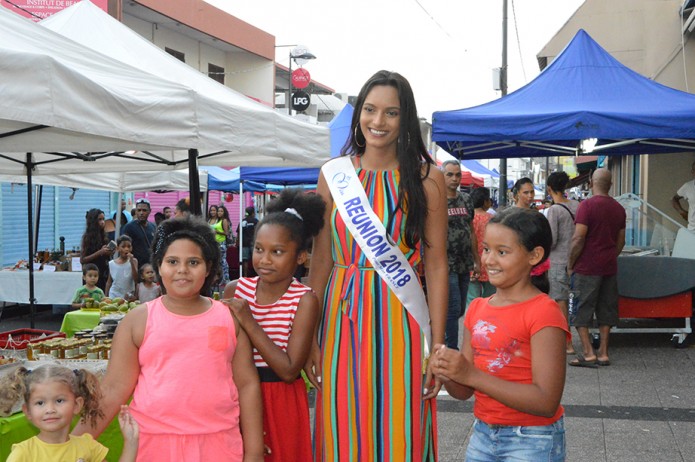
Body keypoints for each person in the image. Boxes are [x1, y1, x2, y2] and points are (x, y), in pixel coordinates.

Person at [306, 70, 448, 461]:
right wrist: (309, 336)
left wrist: (437, 345)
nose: (378, 122)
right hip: (340, 316)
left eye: (391, 113)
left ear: (406, 119)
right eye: (370, 110)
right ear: (358, 114)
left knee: (401, 420)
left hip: (401, 316)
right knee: (340, 422)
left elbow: (436, 266)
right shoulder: (333, 175)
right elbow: (321, 261)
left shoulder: (428, 178)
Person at [72, 216, 263, 461]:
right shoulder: (137, 321)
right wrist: (71, 445)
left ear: (209, 268)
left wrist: (255, 451)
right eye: (173, 261)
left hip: (219, 442)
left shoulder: (229, 319)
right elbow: (112, 390)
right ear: (159, 266)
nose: (182, 269)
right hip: (153, 444)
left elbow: (247, 385)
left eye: (193, 262)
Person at [431, 208, 569, 461]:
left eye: (502, 252)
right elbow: (464, 391)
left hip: (532, 438)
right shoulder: (477, 308)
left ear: (534, 255)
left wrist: (471, 374)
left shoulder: (544, 312)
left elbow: (546, 401)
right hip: (483, 434)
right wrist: (447, 370)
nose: (489, 260)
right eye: (486, 249)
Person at [223, 188, 325, 462]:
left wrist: (249, 321)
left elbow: (290, 369)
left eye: (277, 251)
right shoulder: (235, 290)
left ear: (301, 256)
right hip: (236, 395)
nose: (264, 259)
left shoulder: (304, 300)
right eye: (259, 249)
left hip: (281, 399)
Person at [0, 364, 138, 462]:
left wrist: (131, 442)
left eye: (59, 401)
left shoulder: (87, 447)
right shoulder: (23, 454)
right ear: (27, 411)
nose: (50, 409)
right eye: (40, 403)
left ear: (77, 405)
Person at [568, 168, 626, 368]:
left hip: (586, 268)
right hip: (609, 267)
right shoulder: (619, 208)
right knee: (606, 310)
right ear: (610, 185)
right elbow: (621, 240)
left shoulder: (587, 206)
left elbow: (578, 238)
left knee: (579, 310)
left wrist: (571, 263)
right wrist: (610, 256)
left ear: (591, 183)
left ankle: (587, 352)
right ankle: (603, 352)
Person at [441, 159, 480, 349]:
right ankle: (451, 348)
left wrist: (477, 260)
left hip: (465, 262)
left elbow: (471, 230)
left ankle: (441, 338)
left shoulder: (466, 199)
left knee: (459, 309)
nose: (454, 178)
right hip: (445, 264)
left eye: (457, 174)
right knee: (453, 306)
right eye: (449, 174)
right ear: (441, 176)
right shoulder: (436, 199)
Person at [545, 171, 581, 355]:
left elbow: (552, 239)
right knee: (571, 302)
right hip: (577, 260)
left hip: (558, 262)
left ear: (549, 188)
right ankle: (572, 340)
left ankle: (567, 343)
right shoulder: (577, 205)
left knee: (560, 304)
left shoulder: (555, 210)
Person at [466, 187, 496, 308]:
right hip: (489, 262)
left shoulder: (468, 217)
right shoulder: (491, 219)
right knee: (490, 296)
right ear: (485, 201)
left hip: (472, 262)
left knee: (472, 298)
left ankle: (471, 321)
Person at [80, 208, 113, 291]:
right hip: (92, 275)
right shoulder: (87, 237)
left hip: (103, 273)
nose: (102, 222)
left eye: (103, 219)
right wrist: (100, 252)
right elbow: (83, 259)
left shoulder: (104, 235)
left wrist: (109, 252)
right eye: (99, 219)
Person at [122, 198, 156, 267]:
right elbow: (124, 248)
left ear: (150, 211)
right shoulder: (129, 227)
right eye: (139, 210)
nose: (141, 213)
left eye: (144, 210)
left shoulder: (153, 226)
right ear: (136, 211)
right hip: (135, 266)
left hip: (150, 266)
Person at [105, 235, 138, 301]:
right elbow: (109, 282)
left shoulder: (134, 261)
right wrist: (106, 296)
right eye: (123, 246)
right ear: (117, 248)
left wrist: (131, 262)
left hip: (128, 297)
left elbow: (136, 279)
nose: (126, 249)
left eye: (129, 246)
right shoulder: (112, 263)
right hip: (114, 296)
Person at [672, 160, 695, 231]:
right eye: (694, 170)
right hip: (693, 229)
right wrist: (682, 212)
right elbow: (674, 199)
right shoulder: (688, 186)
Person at [213, 204, 232, 290]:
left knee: (223, 261)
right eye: (218, 211)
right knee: (220, 261)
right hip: (216, 242)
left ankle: (226, 279)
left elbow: (226, 233)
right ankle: (222, 279)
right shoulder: (218, 220)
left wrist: (217, 232)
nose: (219, 212)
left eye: (221, 211)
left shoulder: (224, 220)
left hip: (222, 242)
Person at [237, 206, 258, 277]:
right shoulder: (255, 221)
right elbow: (258, 231)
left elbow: (239, 233)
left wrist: (237, 243)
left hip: (244, 243)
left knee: (245, 260)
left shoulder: (242, 221)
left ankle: (245, 275)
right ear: (253, 213)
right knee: (256, 259)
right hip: (253, 243)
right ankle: (257, 275)